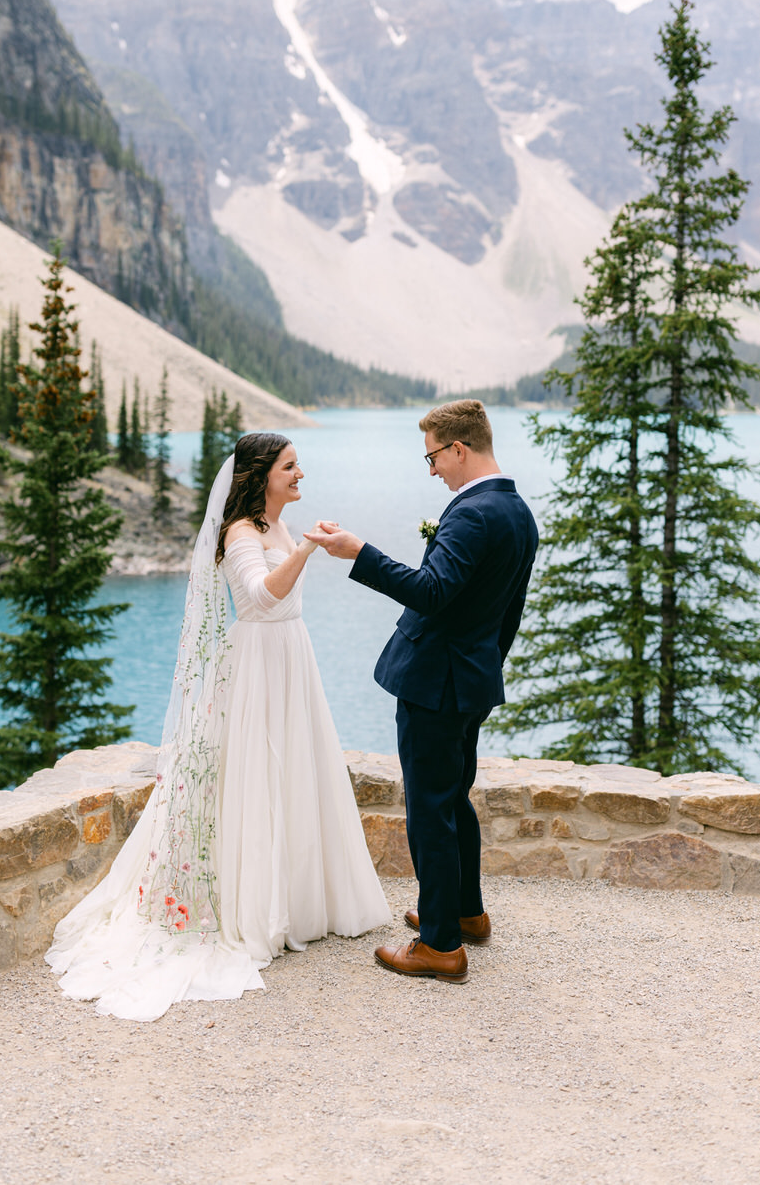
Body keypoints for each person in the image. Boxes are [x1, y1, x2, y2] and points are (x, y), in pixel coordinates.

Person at [46, 432, 390, 1020]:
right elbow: (257, 597)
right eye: (290, 466)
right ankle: (255, 909)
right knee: (256, 778)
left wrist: (303, 546)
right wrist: (307, 553)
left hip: (291, 658)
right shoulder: (240, 533)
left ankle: (303, 902)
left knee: (297, 774)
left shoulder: (278, 528)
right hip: (256, 664)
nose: (300, 472)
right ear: (262, 476)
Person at [306, 400, 537, 985]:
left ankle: (438, 944)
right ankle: (464, 911)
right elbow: (508, 613)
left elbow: (432, 593)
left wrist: (360, 553)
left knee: (430, 810)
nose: (431, 469)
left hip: (436, 683)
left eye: (433, 456)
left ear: (459, 448)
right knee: (453, 798)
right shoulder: (517, 512)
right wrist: (485, 667)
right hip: (471, 680)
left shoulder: (472, 515)